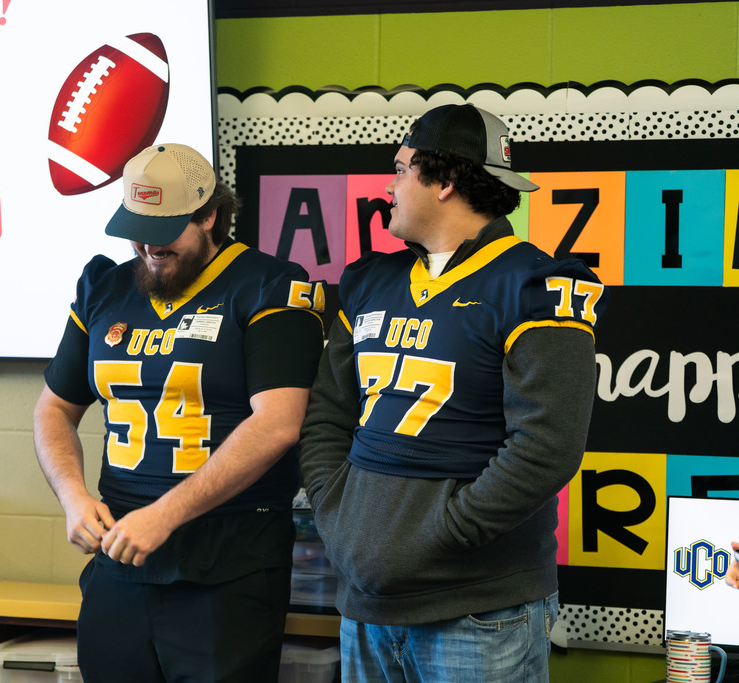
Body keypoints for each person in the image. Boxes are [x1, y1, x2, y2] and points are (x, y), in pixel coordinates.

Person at [298, 104, 607, 681]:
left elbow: (548, 446)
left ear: (444, 181)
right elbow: (327, 415)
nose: (389, 185)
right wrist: (335, 512)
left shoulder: (535, 285)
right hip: (365, 605)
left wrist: (442, 533)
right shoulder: (371, 280)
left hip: (478, 607)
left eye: (401, 169)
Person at [33, 143, 325, 682]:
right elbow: (54, 407)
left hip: (227, 563)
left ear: (210, 214)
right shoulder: (105, 286)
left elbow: (279, 423)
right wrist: (73, 496)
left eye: (163, 227)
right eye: (136, 226)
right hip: (119, 559)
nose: (146, 244)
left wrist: (165, 514)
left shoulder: (270, 286)